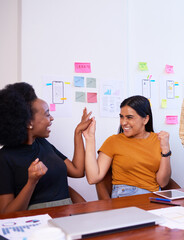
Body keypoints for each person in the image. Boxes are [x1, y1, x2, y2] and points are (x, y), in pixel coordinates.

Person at [0, 82, 92, 213]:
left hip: (67, 218)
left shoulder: (43, 143)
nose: (52, 118)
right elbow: (6, 213)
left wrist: (78, 133)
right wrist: (32, 182)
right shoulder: (5, 157)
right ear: (28, 122)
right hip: (39, 225)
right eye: (47, 114)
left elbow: (77, 171)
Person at [83, 95, 171, 198]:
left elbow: (163, 183)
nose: (123, 123)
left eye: (129, 117)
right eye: (121, 117)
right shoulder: (114, 141)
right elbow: (93, 178)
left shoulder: (158, 140)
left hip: (154, 196)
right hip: (126, 195)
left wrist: (165, 150)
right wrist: (90, 139)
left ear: (145, 119)